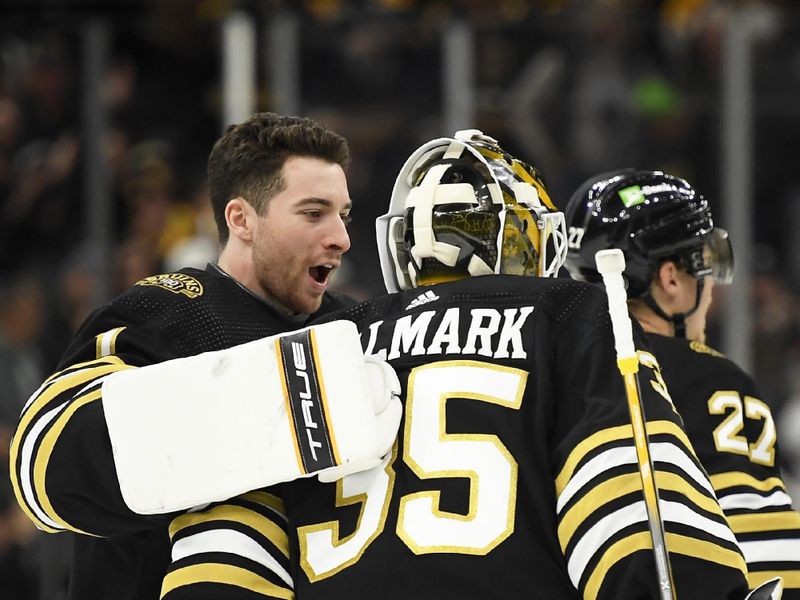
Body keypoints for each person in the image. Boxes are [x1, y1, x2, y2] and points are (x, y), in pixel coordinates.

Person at [201, 130, 749, 599]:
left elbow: (227, 556)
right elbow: (642, 526)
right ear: (523, 237)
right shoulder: (571, 314)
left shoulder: (308, 345)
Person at [9, 111, 401, 600]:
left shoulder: (354, 328)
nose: (341, 238)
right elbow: (42, 471)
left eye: (343, 215)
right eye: (313, 212)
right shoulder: (161, 313)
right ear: (241, 219)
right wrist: (282, 403)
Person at [563, 168, 800, 597]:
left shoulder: (556, 375)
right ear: (671, 278)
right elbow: (768, 556)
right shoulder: (710, 378)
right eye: (703, 267)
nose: (709, 290)